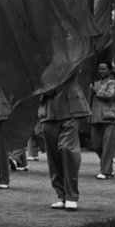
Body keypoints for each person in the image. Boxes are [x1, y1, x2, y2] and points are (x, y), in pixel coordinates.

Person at [39, 74, 91, 211]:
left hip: (70, 108)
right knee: (53, 155)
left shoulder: (71, 55)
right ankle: (62, 195)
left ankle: (71, 196)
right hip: (49, 111)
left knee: (67, 149)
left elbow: (72, 65)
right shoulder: (39, 60)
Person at [89, 62, 115, 179]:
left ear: (110, 70)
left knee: (108, 145)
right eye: (99, 69)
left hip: (109, 117)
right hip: (95, 117)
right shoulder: (94, 84)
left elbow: (110, 95)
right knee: (96, 144)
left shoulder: (113, 83)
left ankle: (105, 171)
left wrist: (97, 91)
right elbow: (90, 101)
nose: (101, 71)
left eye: (104, 69)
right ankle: (109, 163)